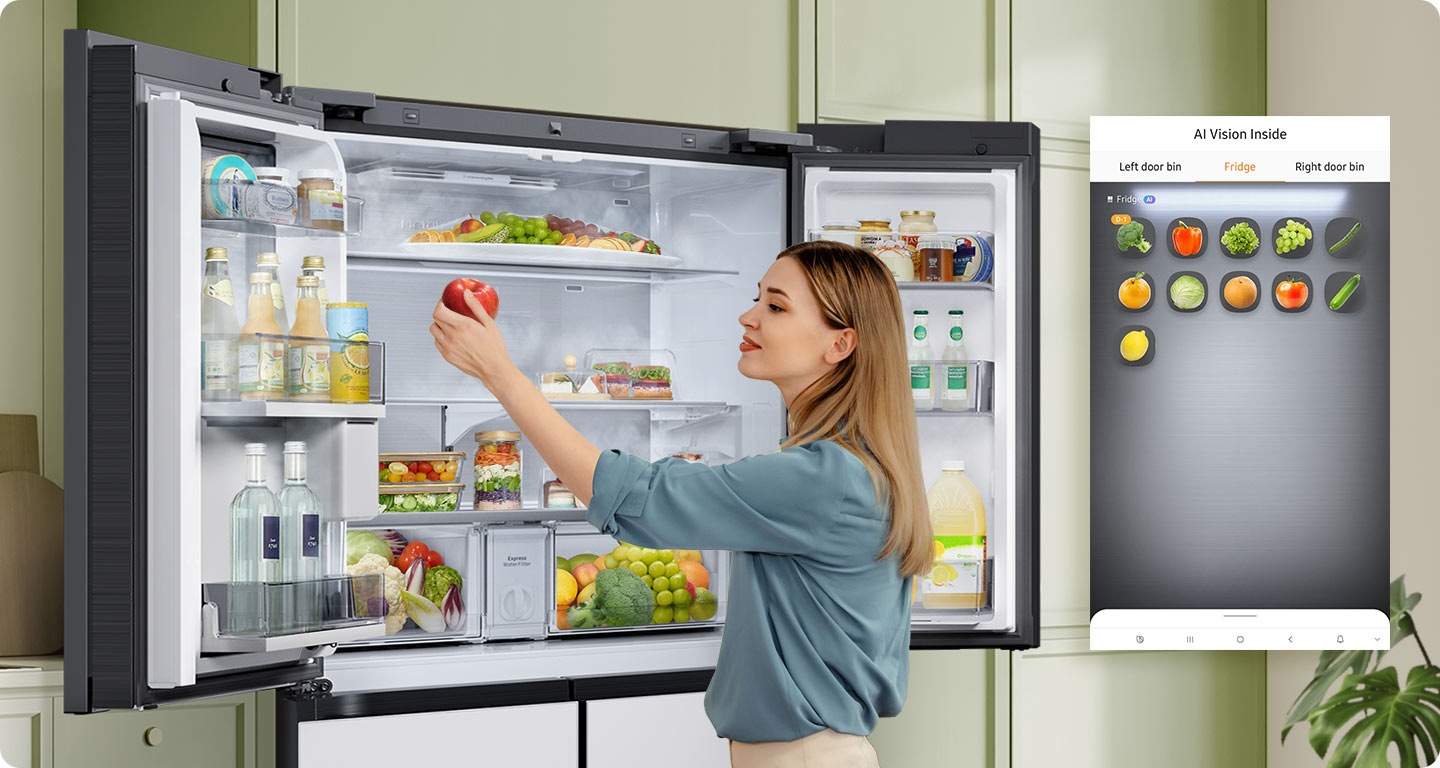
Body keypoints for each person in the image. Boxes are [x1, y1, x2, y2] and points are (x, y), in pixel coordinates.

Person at [430, 240, 932, 767]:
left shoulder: (822, 478)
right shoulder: (851, 465)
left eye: (776, 307)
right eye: (757, 298)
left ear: (840, 344)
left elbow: (636, 499)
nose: (749, 316)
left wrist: (501, 375)